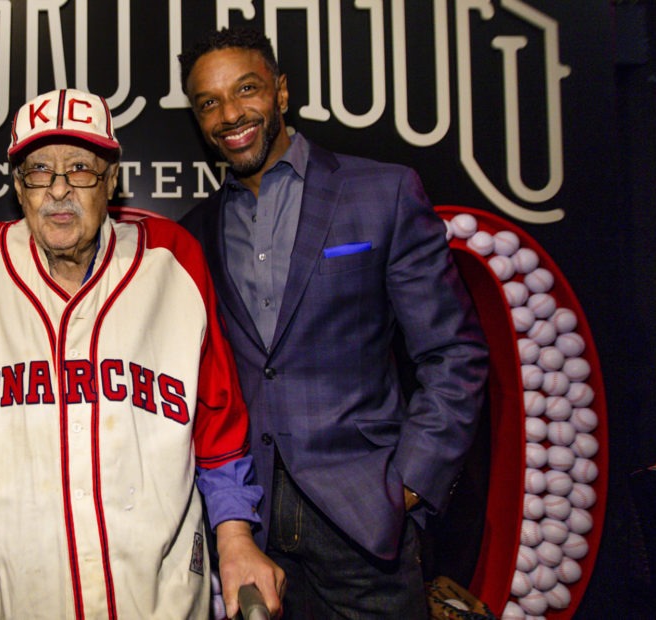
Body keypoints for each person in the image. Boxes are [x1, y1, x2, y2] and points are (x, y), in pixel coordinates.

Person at [0, 88, 284, 619]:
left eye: (79, 168)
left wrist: (236, 537)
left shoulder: (173, 262)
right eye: (38, 170)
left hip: (158, 593)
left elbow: (217, 423)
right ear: (17, 187)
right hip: (22, 595)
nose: (57, 191)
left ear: (112, 179)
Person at [178, 28, 489, 618]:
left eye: (246, 89)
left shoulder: (381, 192)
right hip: (252, 534)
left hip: (365, 524)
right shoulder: (196, 232)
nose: (230, 114)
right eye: (209, 102)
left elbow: (454, 354)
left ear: (282, 91)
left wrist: (407, 488)